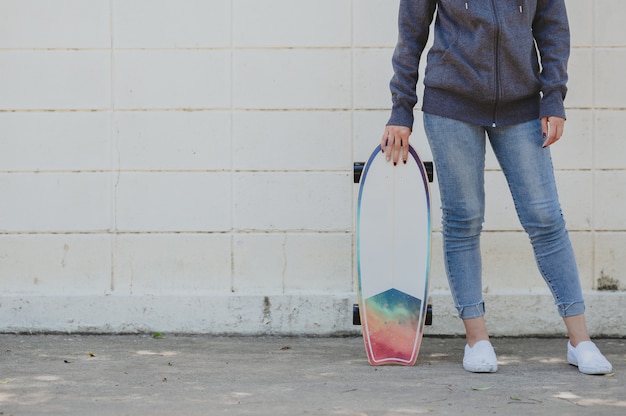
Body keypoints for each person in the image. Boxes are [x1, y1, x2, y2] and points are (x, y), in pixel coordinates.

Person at [381, 0, 612, 374]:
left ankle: (580, 341)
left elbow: (552, 25)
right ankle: (477, 339)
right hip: (451, 105)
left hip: (521, 107)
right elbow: (411, 33)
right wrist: (400, 109)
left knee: (545, 217)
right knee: (463, 219)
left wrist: (553, 96)